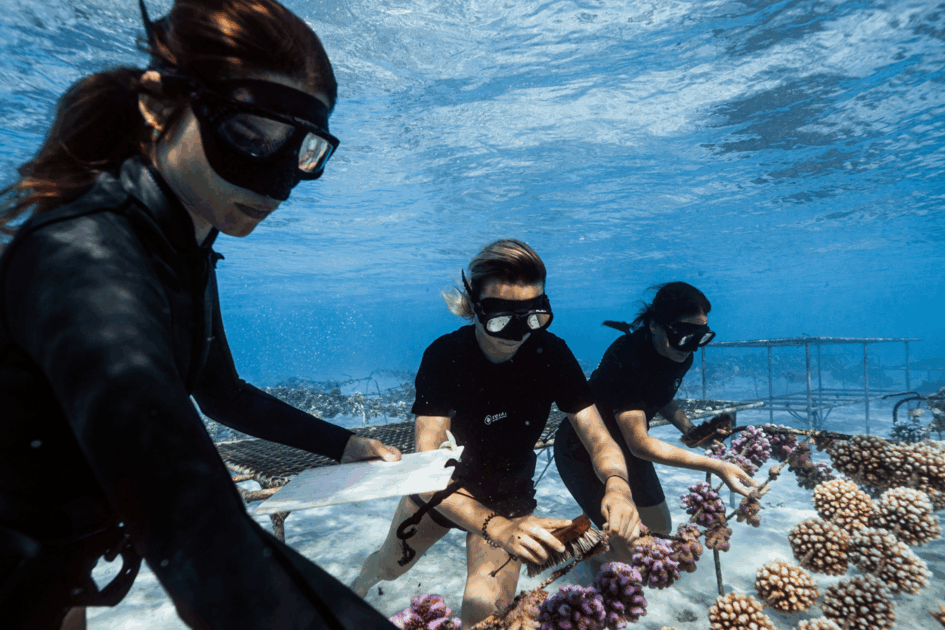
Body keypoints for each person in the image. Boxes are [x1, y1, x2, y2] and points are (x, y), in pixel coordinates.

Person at [0, 1, 404, 628]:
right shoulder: (83, 257)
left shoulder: (182, 246)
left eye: (304, 151)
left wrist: (343, 442)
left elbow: (220, 393)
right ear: (159, 104)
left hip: (53, 568)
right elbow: (194, 529)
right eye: (250, 134)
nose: (278, 181)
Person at [350, 239, 642, 628]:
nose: (519, 333)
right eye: (502, 319)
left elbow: (598, 437)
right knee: (387, 567)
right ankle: (355, 592)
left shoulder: (551, 353)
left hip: (509, 496)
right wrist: (497, 528)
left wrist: (619, 485)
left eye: (535, 317)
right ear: (474, 308)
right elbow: (425, 472)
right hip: (444, 495)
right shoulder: (444, 357)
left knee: (484, 608)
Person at [554, 282, 756, 572]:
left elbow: (661, 397)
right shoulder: (630, 357)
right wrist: (714, 465)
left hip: (627, 449)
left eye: (701, 337)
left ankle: (592, 540)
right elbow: (640, 442)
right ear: (655, 326)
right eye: (685, 335)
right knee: (631, 549)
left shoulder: (679, 352)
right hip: (581, 450)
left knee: (659, 532)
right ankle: (575, 550)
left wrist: (694, 433)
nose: (692, 346)